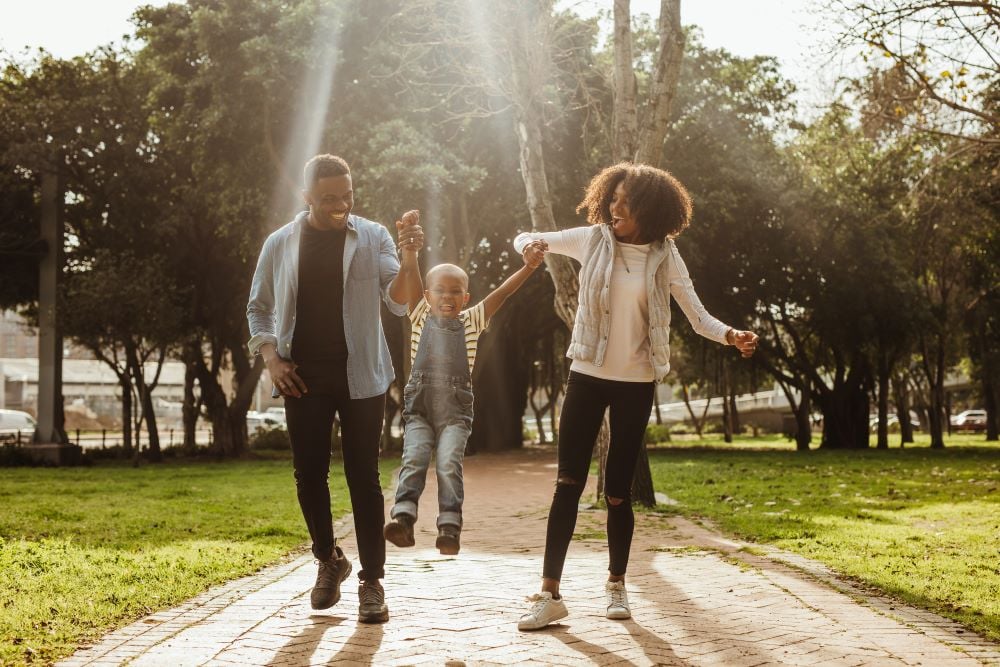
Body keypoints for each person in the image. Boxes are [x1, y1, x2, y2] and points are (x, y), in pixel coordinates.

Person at [512, 162, 758, 631]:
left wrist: (731, 335)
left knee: (619, 493)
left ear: (650, 209)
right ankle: (548, 594)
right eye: (613, 198)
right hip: (586, 375)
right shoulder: (591, 239)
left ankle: (616, 586)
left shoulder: (666, 256)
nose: (614, 207)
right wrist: (531, 246)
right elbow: (524, 235)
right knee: (567, 485)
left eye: (625, 201)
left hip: (636, 383)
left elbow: (698, 316)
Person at [246, 154, 424, 624]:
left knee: (363, 476)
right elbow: (258, 308)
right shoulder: (280, 244)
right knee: (309, 475)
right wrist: (271, 359)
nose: (341, 204)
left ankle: (372, 582)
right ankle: (329, 560)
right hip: (302, 376)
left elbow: (400, 300)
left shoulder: (373, 236)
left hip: (362, 373)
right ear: (307, 198)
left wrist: (410, 256)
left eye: (347, 195)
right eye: (329, 199)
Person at [383, 243, 547, 555]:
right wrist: (410, 248)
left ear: (466, 298)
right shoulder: (418, 314)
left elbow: (503, 292)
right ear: (428, 296)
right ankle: (403, 519)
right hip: (419, 411)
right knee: (414, 459)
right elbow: (413, 276)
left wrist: (528, 267)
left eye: (456, 291)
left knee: (447, 463)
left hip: (455, 414)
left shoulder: (473, 320)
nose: (447, 297)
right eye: (440, 291)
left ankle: (449, 527)